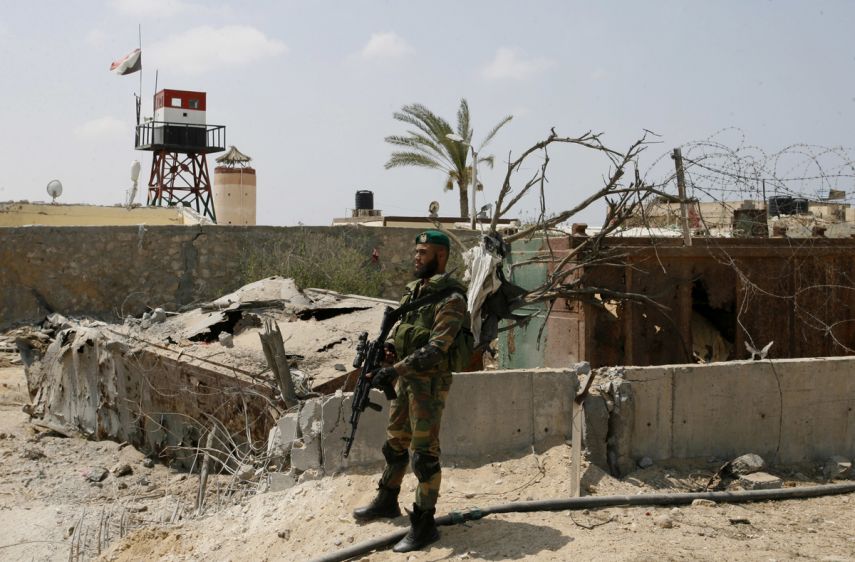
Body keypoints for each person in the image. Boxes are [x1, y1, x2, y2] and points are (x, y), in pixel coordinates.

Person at [352, 230, 468, 553]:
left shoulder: (451, 299)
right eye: (416, 252)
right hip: (406, 382)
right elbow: (401, 331)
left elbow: (436, 349)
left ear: (441, 256)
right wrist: (389, 350)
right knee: (395, 443)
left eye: (423, 252)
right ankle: (387, 499)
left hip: (429, 386)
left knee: (424, 455)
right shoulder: (414, 292)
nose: (416, 257)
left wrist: (394, 370)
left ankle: (424, 524)